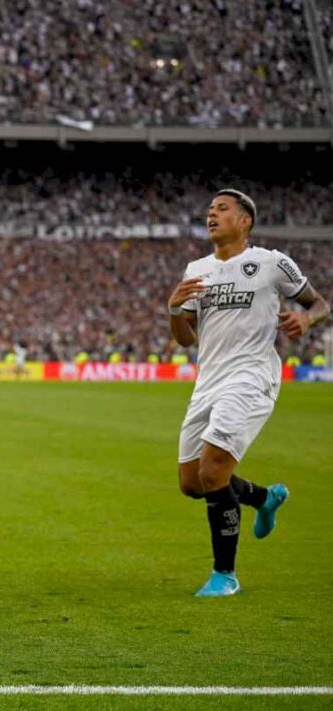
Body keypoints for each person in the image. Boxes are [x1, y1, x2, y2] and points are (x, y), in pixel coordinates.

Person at [167, 189, 328, 597]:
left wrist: (306, 321)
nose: (212, 215)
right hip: (209, 381)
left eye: (222, 209)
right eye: (209, 210)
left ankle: (226, 575)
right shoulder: (197, 269)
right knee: (192, 482)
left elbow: (320, 303)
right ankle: (263, 498)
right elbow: (185, 339)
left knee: (213, 470)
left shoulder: (272, 263)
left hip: (252, 374)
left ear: (245, 221)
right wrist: (172, 310)